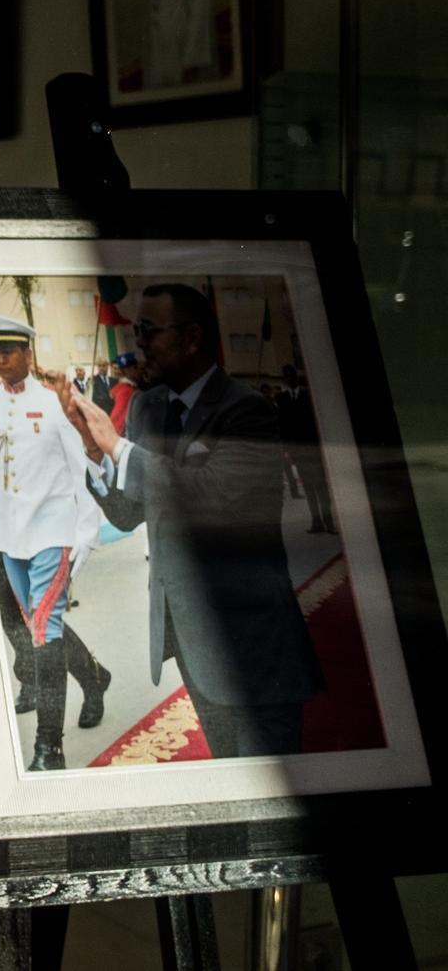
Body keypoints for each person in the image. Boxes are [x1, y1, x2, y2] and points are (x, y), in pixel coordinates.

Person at [70, 284, 322, 758]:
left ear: (191, 338)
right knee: (227, 770)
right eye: (137, 329)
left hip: (253, 643)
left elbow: (214, 497)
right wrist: (93, 452)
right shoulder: (148, 408)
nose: (138, 341)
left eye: (148, 329)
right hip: (190, 638)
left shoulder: (248, 410)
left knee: (269, 781)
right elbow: (129, 514)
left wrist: (119, 449)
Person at [0, 316, 112, 770]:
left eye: (10, 349)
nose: (2, 358)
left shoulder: (52, 403)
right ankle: (95, 677)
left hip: (53, 530)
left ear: (28, 353)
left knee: (43, 634)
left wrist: (85, 531)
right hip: (10, 535)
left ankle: (49, 748)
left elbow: (81, 468)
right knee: (37, 628)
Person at [275, 364, 335, 534]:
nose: (289, 379)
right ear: (284, 379)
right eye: (286, 376)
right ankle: (316, 522)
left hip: (313, 448)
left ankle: (328, 521)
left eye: (292, 375)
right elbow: (283, 426)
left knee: (321, 487)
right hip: (298, 451)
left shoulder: (309, 395)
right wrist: (286, 450)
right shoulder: (282, 399)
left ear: (296, 377)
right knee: (309, 487)